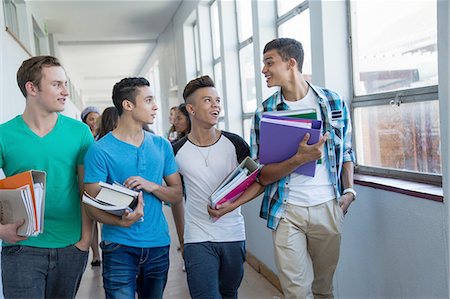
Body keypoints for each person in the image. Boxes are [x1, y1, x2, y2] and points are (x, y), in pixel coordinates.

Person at [250, 38, 356, 299]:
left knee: (324, 289)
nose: (264, 69)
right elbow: (261, 174)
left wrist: (350, 191)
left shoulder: (332, 101)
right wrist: (297, 159)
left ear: (291, 62)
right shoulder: (265, 111)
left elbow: (348, 151)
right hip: (287, 211)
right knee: (296, 292)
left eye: (269, 62)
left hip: (328, 206)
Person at [0, 55, 94, 298]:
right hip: (21, 247)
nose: (65, 92)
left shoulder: (80, 133)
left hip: (70, 246)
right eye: (57, 84)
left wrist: (85, 242)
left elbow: (87, 190)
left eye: (65, 84)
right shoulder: (4, 135)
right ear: (32, 88)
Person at [83, 77, 184, 299]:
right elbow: (90, 206)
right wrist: (121, 221)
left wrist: (152, 186)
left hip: (158, 244)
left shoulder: (161, 145)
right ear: (128, 105)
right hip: (119, 246)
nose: (155, 106)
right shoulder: (99, 151)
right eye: (148, 100)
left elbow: (177, 194)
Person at [173, 75, 261, 299]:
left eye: (218, 100)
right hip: (197, 237)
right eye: (208, 100)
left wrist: (232, 206)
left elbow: (259, 182)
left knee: (228, 293)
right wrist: (182, 238)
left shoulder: (236, 144)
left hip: (232, 234)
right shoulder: (176, 151)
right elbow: (174, 195)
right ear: (191, 109)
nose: (216, 106)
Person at [81, 105, 103, 267]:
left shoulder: (103, 138)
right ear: (85, 121)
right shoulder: (81, 138)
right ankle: (95, 254)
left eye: (97, 118)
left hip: (100, 184)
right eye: (91, 119)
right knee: (91, 220)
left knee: (103, 218)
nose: (94, 122)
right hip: (85, 182)